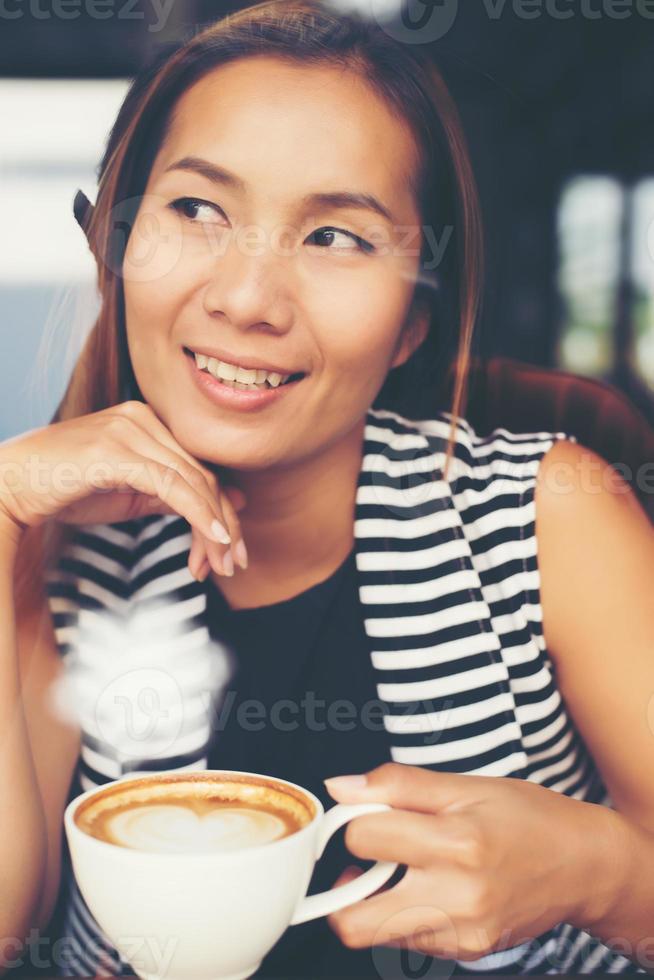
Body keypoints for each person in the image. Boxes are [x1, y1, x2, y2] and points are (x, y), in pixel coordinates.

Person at [1, 0, 652, 975]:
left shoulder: (551, 515)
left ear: (412, 323)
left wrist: (601, 871)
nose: (247, 299)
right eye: (197, 209)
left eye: (338, 236)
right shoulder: (56, 549)